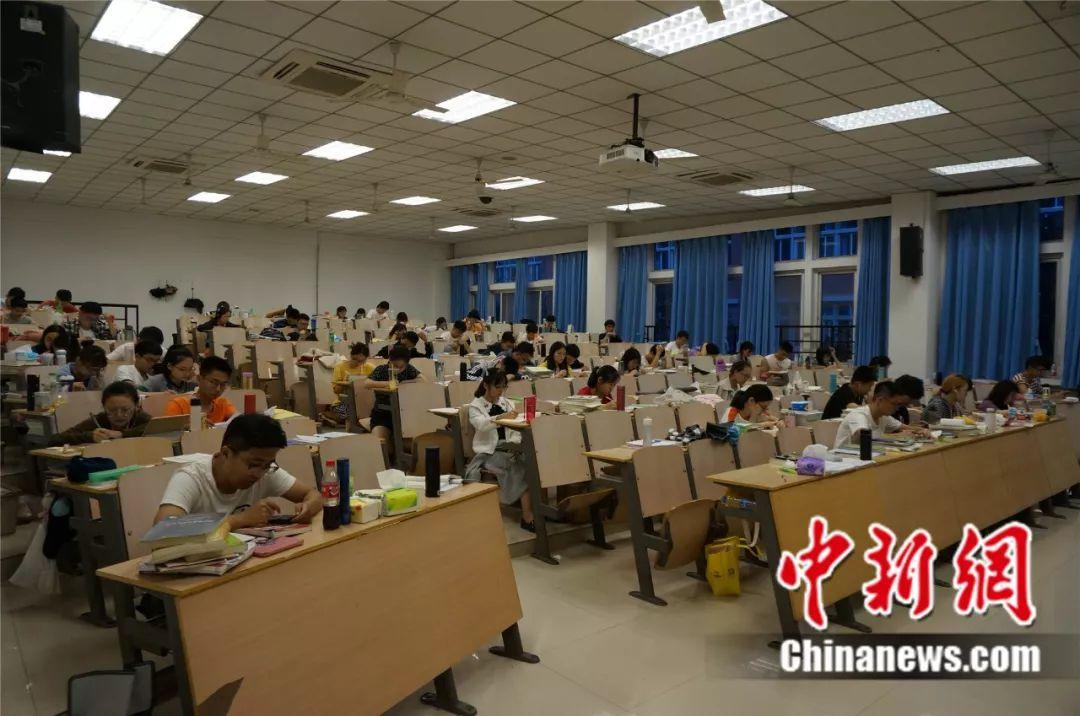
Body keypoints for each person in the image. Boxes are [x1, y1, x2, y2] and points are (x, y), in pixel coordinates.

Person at [154, 414, 322, 529]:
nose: (259, 474)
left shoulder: (265, 471)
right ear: (226, 453)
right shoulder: (191, 478)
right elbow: (163, 529)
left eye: (267, 465)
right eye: (253, 464)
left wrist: (308, 507)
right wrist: (240, 520)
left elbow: (313, 495)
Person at [464, 369, 533, 530]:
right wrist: (501, 417)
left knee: (532, 463)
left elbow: (515, 429)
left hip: (511, 447)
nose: (501, 391)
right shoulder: (475, 406)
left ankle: (532, 508)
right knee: (518, 468)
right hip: (490, 451)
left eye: (504, 387)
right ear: (486, 385)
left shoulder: (507, 403)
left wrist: (515, 445)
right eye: (498, 387)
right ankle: (527, 516)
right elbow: (482, 425)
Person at [49, 381, 153, 446]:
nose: (119, 415)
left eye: (125, 410)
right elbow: (55, 439)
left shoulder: (141, 418)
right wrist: (90, 436)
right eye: (112, 410)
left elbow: (158, 429)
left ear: (136, 406)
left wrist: (122, 434)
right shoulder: (99, 420)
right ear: (104, 407)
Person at [363, 345, 425, 450]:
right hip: (382, 415)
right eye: (394, 365)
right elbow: (367, 383)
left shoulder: (409, 369)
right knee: (380, 445)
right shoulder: (381, 369)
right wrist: (387, 383)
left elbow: (423, 380)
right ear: (390, 361)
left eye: (401, 367)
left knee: (415, 446)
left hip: (404, 415)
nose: (397, 369)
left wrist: (404, 382)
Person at [834, 381, 930, 449]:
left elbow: (905, 427)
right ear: (880, 400)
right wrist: (899, 437)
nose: (897, 408)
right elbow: (864, 435)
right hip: (844, 462)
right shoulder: (859, 415)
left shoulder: (883, 417)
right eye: (894, 404)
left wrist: (921, 430)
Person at [165, 356, 236, 427]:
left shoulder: (222, 403)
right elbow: (168, 431)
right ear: (199, 379)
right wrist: (190, 427)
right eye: (213, 382)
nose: (218, 389)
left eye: (223, 384)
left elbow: (238, 420)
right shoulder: (179, 405)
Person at [323, 343, 374, 424]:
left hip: (363, 402)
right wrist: (345, 382)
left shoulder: (370, 367)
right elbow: (336, 390)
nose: (357, 363)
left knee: (372, 414)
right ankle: (329, 414)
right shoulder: (340, 367)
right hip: (343, 403)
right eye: (354, 359)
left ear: (366, 359)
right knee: (348, 415)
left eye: (361, 361)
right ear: (351, 356)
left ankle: (332, 418)